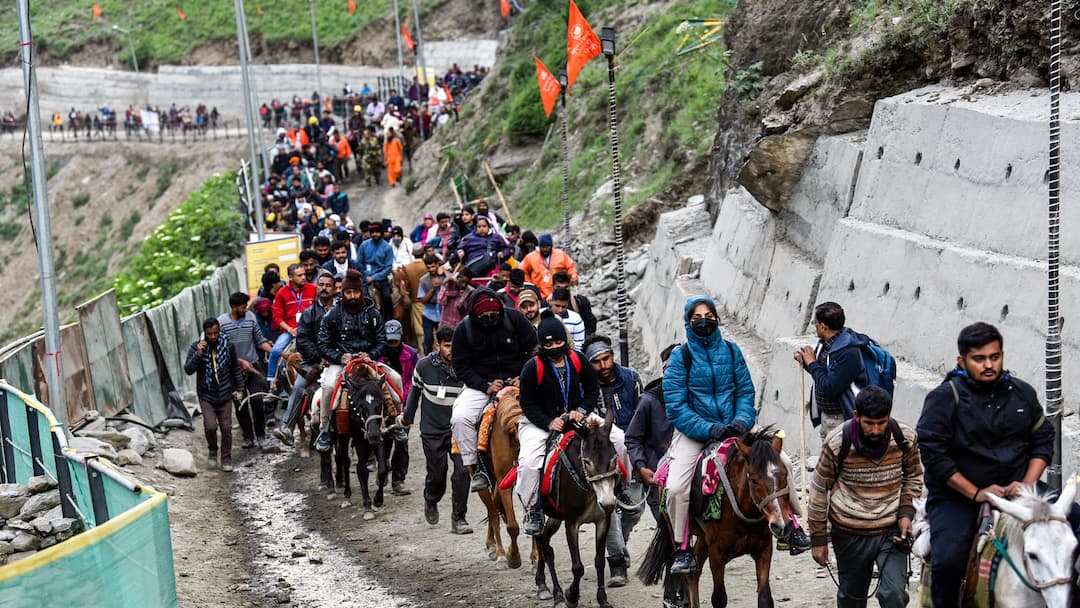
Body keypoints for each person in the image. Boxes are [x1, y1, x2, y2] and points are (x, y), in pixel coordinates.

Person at [917, 322, 1080, 607]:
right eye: (979, 359)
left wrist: (1028, 484)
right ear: (962, 361)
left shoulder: (1022, 393)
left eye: (995, 357)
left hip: (1021, 490)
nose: (988, 365)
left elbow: (1042, 439)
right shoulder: (943, 399)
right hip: (959, 497)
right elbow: (935, 457)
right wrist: (978, 493)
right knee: (948, 561)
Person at [663, 296, 759, 573]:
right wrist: (708, 428)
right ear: (688, 322)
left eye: (709, 315)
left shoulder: (731, 351)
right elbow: (676, 406)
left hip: (733, 428)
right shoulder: (681, 358)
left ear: (717, 318)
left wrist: (741, 421)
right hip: (695, 433)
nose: (704, 320)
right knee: (677, 488)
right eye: (697, 317)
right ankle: (682, 548)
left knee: (779, 462)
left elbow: (745, 392)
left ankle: (791, 526)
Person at [809, 386, 923, 608]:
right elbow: (819, 490)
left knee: (895, 595)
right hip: (850, 532)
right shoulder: (837, 443)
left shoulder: (904, 438)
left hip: (891, 530)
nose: (876, 430)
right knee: (852, 599)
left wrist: (906, 514)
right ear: (856, 416)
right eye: (869, 423)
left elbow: (914, 477)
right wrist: (818, 539)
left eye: (881, 423)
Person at [516, 310, 601, 535]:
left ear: (566, 340)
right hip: (539, 422)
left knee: (616, 438)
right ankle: (532, 508)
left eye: (559, 341)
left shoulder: (577, 359)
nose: (554, 346)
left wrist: (581, 410)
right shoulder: (532, 367)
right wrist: (548, 422)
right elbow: (527, 403)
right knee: (529, 461)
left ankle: (619, 489)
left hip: (575, 417)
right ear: (541, 345)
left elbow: (592, 389)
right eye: (549, 343)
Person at [451, 289, 538, 492]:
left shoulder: (515, 318)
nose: (490, 320)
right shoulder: (464, 330)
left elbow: (534, 349)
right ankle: (476, 469)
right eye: (484, 317)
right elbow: (460, 366)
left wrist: (525, 376)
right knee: (460, 417)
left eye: (494, 315)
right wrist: (484, 385)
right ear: (474, 314)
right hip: (481, 384)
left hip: (519, 380)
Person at [584, 335, 643, 587]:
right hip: (603, 459)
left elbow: (643, 412)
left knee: (634, 510)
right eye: (596, 362)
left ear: (612, 356)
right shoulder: (586, 386)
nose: (603, 365)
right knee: (608, 511)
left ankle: (621, 545)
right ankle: (617, 563)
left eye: (606, 359)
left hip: (632, 453)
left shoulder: (631, 378)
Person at [399, 327, 470, 532]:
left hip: (459, 430)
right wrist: (407, 418)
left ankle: (459, 518)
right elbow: (414, 393)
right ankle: (431, 499)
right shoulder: (424, 366)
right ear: (438, 345)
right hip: (432, 430)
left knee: (462, 472)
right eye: (447, 346)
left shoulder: (466, 367)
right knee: (437, 473)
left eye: (455, 346)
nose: (452, 351)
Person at [315, 269, 387, 450]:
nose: (353, 296)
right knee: (329, 387)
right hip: (341, 363)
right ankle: (325, 430)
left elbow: (382, 341)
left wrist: (371, 354)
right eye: (349, 292)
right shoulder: (332, 315)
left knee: (394, 380)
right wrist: (340, 357)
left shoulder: (373, 314)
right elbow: (322, 344)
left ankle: (395, 422)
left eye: (356, 292)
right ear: (342, 293)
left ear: (362, 292)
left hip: (367, 361)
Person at [275, 271, 336, 454]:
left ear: (334, 289)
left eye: (328, 285)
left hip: (339, 359)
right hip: (315, 360)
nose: (324, 288)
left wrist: (335, 354)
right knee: (300, 385)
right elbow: (302, 340)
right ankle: (287, 425)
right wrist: (319, 357)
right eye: (321, 285)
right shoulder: (309, 313)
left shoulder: (342, 310)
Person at [794, 302, 870, 437]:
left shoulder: (847, 351)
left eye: (815, 322)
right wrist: (806, 360)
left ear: (823, 326)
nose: (814, 325)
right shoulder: (827, 343)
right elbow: (822, 373)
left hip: (840, 419)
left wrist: (811, 363)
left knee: (836, 456)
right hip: (828, 416)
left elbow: (830, 388)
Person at [626, 344, 679, 526]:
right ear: (664, 369)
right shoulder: (649, 401)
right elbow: (632, 438)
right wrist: (641, 466)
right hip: (657, 477)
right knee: (669, 531)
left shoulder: (696, 397)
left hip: (687, 475)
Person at [184, 318, 245, 472]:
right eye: (209, 334)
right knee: (210, 426)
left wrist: (240, 388)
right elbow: (188, 369)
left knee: (226, 428)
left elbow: (235, 369)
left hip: (225, 393)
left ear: (219, 331)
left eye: (215, 333)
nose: (212, 337)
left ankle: (226, 458)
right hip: (206, 394)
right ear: (204, 333)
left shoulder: (228, 345)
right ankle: (212, 449)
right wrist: (198, 354)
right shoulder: (196, 347)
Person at [217, 292, 273, 448]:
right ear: (234, 307)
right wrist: (239, 362)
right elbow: (220, 350)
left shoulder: (250, 317)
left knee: (256, 399)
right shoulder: (222, 323)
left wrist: (275, 352)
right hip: (233, 371)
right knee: (240, 403)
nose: (246, 309)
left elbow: (259, 340)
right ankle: (248, 437)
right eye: (243, 307)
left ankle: (261, 435)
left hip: (253, 365)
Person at [379, 320, 419, 496]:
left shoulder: (411, 354)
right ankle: (383, 468)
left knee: (402, 442)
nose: (392, 344)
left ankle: (398, 481)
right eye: (389, 340)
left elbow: (414, 377)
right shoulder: (378, 354)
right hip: (384, 403)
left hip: (404, 404)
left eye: (395, 340)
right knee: (384, 440)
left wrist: (405, 395)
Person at [268, 264, 317, 390]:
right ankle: (271, 382)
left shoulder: (313, 289)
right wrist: (290, 329)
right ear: (290, 277)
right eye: (299, 275)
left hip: (311, 330)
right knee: (276, 351)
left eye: (304, 274)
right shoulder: (281, 293)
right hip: (290, 331)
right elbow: (277, 317)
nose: (303, 277)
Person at [519, 233, 578, 300]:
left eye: (547, 247)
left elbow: (571, 267)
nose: (544, 249)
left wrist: (573, 278)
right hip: (539, 295)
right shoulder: (531, 257)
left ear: (551, 246)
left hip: (559, 294)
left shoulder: (560, 254)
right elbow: (522, 270)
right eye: (542, 247)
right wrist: (529, 285)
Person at [355, 222, 395, 312]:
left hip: (381, 278)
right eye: (373, 232)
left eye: (377, 232)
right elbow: (359, 263)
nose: (375, 234)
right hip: (364, 277)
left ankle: (389, 318)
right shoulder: (364, 245)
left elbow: (388, 267)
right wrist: (365, 276)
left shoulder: (387, 247)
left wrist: (374, 278)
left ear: (381, 233)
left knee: (386, 296)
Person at [553, 270, 597, 338]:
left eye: (565, 287)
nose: (562, 291)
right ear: (553, 287)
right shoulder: (545, 305)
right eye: (559, 287)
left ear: (569, 286)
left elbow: (591, 323)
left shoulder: (580, 301)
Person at [417, 254, 444, 353]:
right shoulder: (423, 280)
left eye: (433, 266)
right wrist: (433, 288)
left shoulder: (445, 276)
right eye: (428, 268)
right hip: (429, 313)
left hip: (442, 313)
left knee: (443, 340)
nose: (431, 269)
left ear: (437, 264)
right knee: (428, 340)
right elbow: (422, 300)